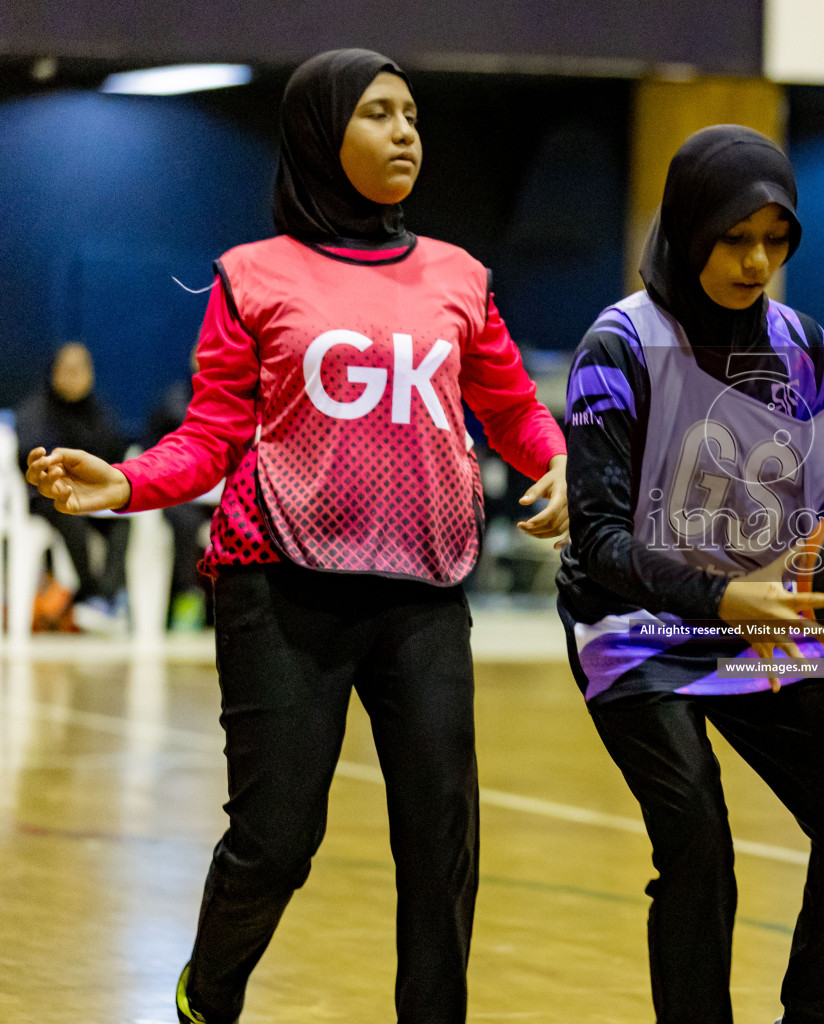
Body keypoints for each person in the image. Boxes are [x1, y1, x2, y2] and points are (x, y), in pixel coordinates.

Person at [27, 49, 569, 1024]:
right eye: (378, 114)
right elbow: (209, 437)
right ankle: (209, 992)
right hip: (280, 586)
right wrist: (127, 481)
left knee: (441, 834)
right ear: (323, 134)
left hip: (423, 590)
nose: (407, 131)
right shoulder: (253, 277)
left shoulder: (458, 276)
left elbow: (513, 410)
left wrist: (558, 459)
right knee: (277, 841)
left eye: (412, 112)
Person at [556, 124, 824, 1024]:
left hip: (766, 624)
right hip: (637, 630)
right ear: (686, 229)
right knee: (698, 844)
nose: (757, 262)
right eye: (735, 239)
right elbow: (596, 540)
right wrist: (722, 596)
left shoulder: (805, 346)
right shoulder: (622, 345)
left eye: (775, 240)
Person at [14, 342, 132, 633]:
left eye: (81, 370)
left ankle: (104, 598)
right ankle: (92, 595)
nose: (74, 377)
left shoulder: (99, 412)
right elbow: (30, 455)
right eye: (67, 370)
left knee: (124, 516)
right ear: (54, 373)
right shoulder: (36, 410)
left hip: (93, 495)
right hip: (46, 496)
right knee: (69, 513)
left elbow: (114, 454)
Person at [143, 350, 214, 630]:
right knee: (185, 522)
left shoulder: (241, 398)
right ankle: (187, 599)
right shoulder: (173, 403)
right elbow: (152, 452)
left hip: (223, 492)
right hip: (180, 492)